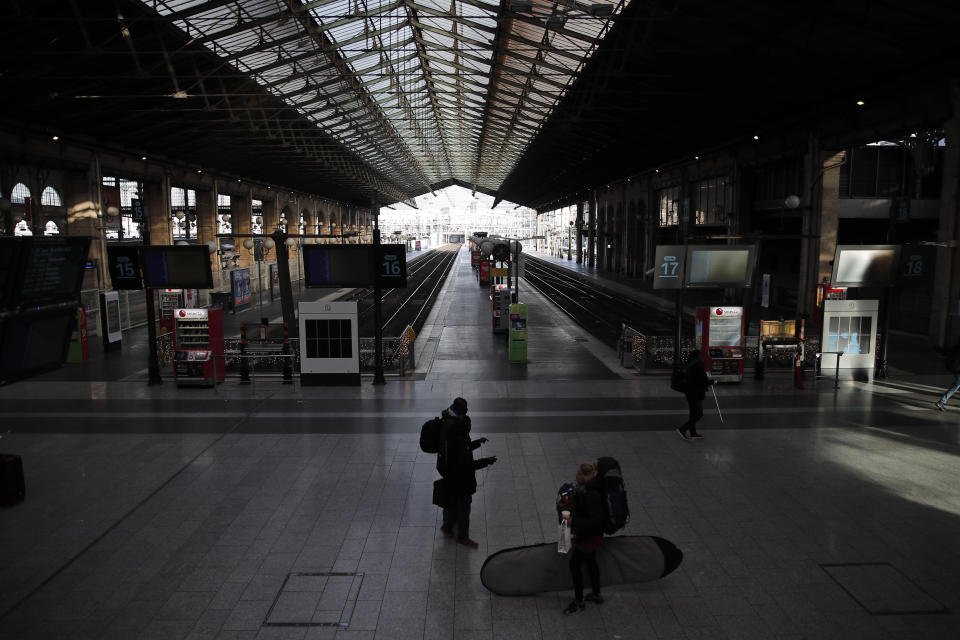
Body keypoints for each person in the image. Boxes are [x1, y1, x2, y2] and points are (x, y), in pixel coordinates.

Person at [436, 397, 496, 548]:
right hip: (460, 477)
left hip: (449, 473)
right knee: (464, 507)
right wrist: (486, 461)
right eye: (465, 408)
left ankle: (447, 526)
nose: (467, 411)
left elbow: (465, 449)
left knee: (452, 501)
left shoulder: (450, 424)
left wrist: (477, 443)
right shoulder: (457, 434)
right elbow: (467, 465)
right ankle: (463, 537)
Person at [561, 461, 604, 615]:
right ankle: (596, 594)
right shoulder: (589, 488)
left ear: (585, 476)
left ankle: (579, 602)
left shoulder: (591, 495)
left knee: (574, 566)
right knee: (591, 563)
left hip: (588, 538)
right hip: (593, 537)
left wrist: (574, 521)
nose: (576, 475)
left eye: (579, 473)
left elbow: (595, 521)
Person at [677, 349, 713, 440]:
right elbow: (702, 380)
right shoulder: (698, 364)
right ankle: (682, 429)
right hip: (696, 393)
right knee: (698, 414)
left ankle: (693, 432)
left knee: (693, 414)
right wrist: (712, 381)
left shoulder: (690, 363)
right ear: (698, 356)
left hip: (690, 392)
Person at [936, 342, 960, 411]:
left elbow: (946, 352)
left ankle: (942, 402)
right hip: (958, 370)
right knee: (956, 385)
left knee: (956, 385)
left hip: (955, 369)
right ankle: (941, 402)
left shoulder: (956, 346)